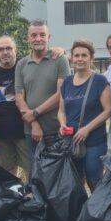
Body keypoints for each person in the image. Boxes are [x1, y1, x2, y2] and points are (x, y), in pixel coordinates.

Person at [57, 40, 111, 189]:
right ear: (72, 58)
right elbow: (61, 110)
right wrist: (62, 124)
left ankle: (98, 211)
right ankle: (80, 211)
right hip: (72, 141)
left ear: (91, 58)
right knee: (75, 181)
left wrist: (87, 129)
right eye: (76, 55)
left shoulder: (100, 81)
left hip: (94, 140)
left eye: (84, 55)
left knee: (94, 180)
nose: (80, 59)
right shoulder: (67, 82)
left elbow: (108, 110)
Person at [15, 20, 69, 150]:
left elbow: (61, 94)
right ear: (28, 38)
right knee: (36, 170)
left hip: (56, 130)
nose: (38, 39)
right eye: (34, 35)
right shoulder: (22, 64)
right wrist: (34, 122)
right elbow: (19, 98)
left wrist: (35, 113)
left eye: (42, 35)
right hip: (31, 132)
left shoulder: (60, 59)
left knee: (57, 170)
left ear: (48, 37)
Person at [0, 36, 29, 177]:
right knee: (7, 172)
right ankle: (13, 197)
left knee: (32, 170)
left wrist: (59, 51)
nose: (5, 52)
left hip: (25, 130)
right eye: (0, 49)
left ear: (16, 50)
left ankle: (33, 197)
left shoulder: (26, 67)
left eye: (8, 48)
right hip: (2, 132)